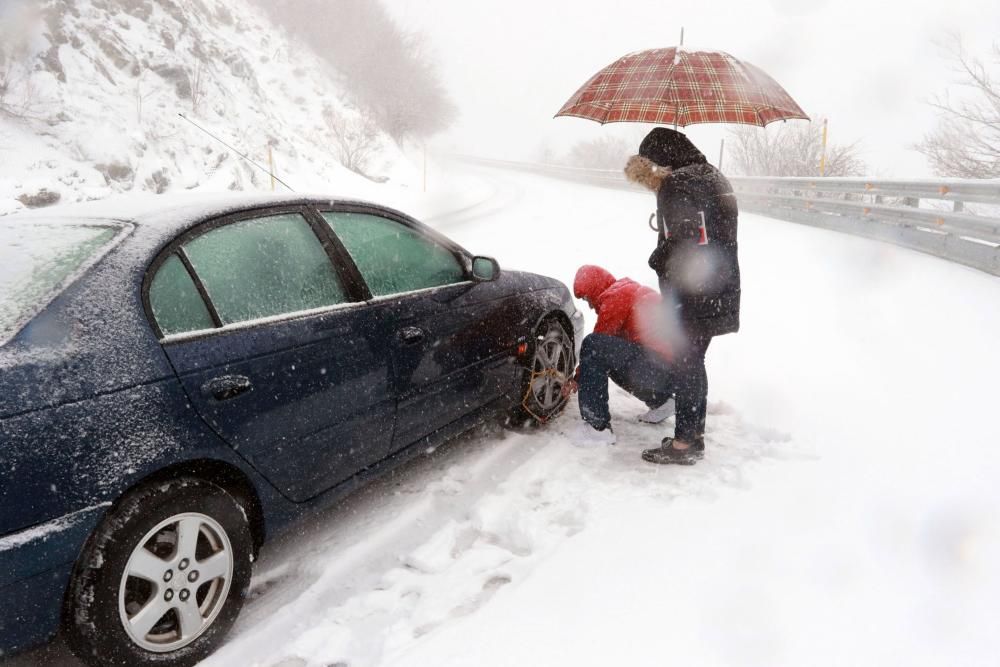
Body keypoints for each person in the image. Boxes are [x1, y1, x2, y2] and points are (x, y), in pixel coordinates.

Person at [624, 127, 741, 465]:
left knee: (686, 364)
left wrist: (656, 257)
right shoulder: (715, 178)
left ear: (664, 155)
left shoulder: (678, 183)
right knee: (694, 362)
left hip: (691, 292)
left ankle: (685, 444)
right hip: (719, 287)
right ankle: (693, 435)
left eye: (654, 161)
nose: (655, 169)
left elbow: (685, 239)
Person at [565, 265, 675, 447]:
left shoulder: (617, 297)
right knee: (609, 361)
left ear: (595, 287)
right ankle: (662, 402)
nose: (591, 306)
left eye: (587, 298)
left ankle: (596, 427)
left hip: (661, 366)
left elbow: (597, 345)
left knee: (593, 344)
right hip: (672, 369)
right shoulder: (628, 290)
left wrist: (577, 378)